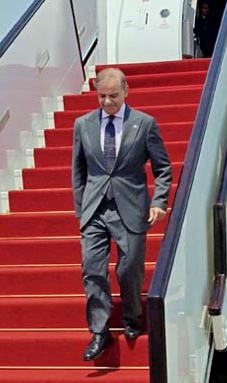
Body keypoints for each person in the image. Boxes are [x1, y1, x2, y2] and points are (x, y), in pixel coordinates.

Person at [72, 67, 172, 361]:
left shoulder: (144, 124)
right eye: (102, 96)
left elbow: (163, 168)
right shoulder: (83, 125)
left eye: (113, 96)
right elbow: (78, 170)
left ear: (126, 92)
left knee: (129, 269)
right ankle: (99, 331)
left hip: (130, 206)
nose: (107, 102)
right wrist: (81, 208)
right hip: (94, 208)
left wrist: (159, 201)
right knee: (92, 269)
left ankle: (132, 315)